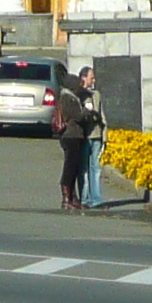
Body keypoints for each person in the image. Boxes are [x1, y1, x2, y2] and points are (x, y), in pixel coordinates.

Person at [53, 75, 90, 211]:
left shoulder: (71, 97)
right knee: (70, 167)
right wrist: (87, 111)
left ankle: (73, 197)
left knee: (73, 167)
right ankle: (66, 198)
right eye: (78, 84)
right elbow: (78, 116)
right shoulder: (67, 98)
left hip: (75, 136)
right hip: (70, 136)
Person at [77, 63, 108, 209]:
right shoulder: (78, 94)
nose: (93, 81)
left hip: (96, 135)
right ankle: (85, 198)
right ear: (83, 78)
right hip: (84, 136)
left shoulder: (96, 94)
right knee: (84, 168)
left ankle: (96, 198)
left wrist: (104, 136)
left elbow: (102, 116)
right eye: (91, 78)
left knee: (95, 168)